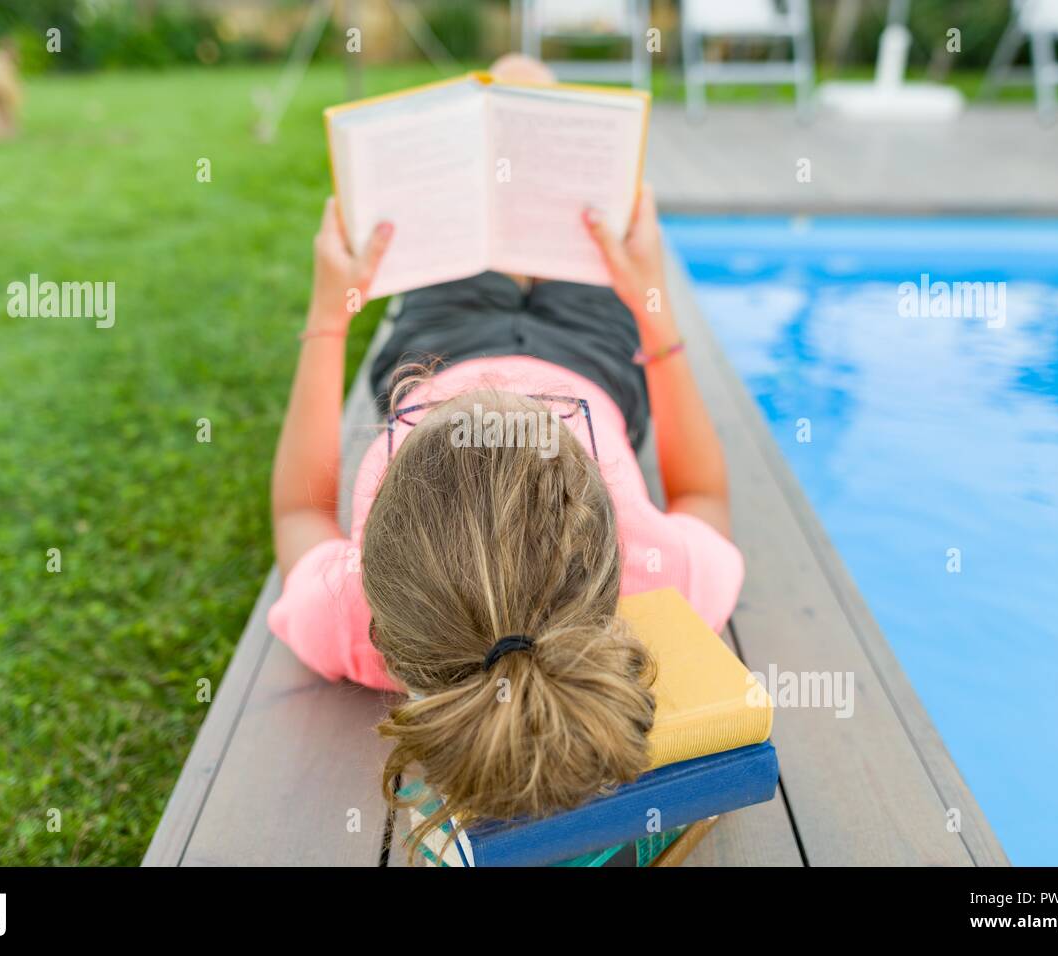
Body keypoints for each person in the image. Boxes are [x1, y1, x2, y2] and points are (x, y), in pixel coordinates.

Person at [268, 55, 742, 848]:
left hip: (444, 340)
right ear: (609, 537)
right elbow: (706, 500)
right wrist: (650, 305)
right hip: (590, 354)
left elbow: (294, 509)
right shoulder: (662, 585)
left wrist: (330, 315)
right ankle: (532, 99)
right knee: (548, 135)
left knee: (499, 128)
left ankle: (517, 97)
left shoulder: (348, 614)